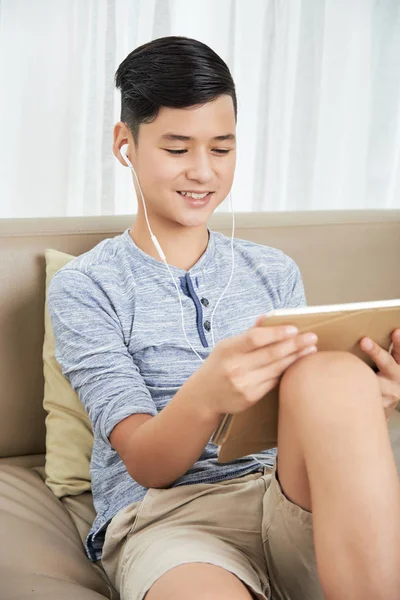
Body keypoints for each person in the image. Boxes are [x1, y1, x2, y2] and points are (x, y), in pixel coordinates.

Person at [48, 36, 400, 600]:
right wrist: (207, 393)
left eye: (221, 148)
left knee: (333, 376)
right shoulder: (86, 287)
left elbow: (302, 434)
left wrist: (366, 401)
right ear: (125, 145)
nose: (203, 172)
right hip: (172, 521)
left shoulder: (273, 270)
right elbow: (146, 462)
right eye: (177, 148)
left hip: (286, 498)